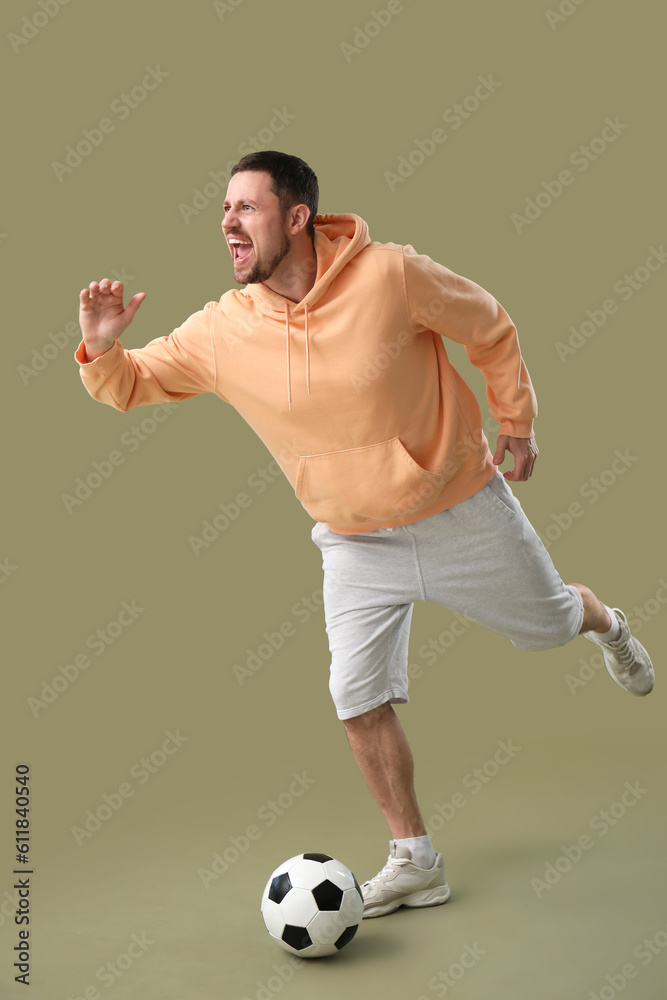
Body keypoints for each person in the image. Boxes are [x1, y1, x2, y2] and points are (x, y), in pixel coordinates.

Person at [74, 150, 654, 920]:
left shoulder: (390, 276)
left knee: (550, 624)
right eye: (223, 209)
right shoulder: (223, 330)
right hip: (352, 541)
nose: (228, 222)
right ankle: (415, 859)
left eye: (246, 208)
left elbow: (488, 325)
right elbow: (133, 385)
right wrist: (104, 345)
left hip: (460, 509)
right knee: (354, 695)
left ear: (297, 217)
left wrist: (515, 419)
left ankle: (606, 623)